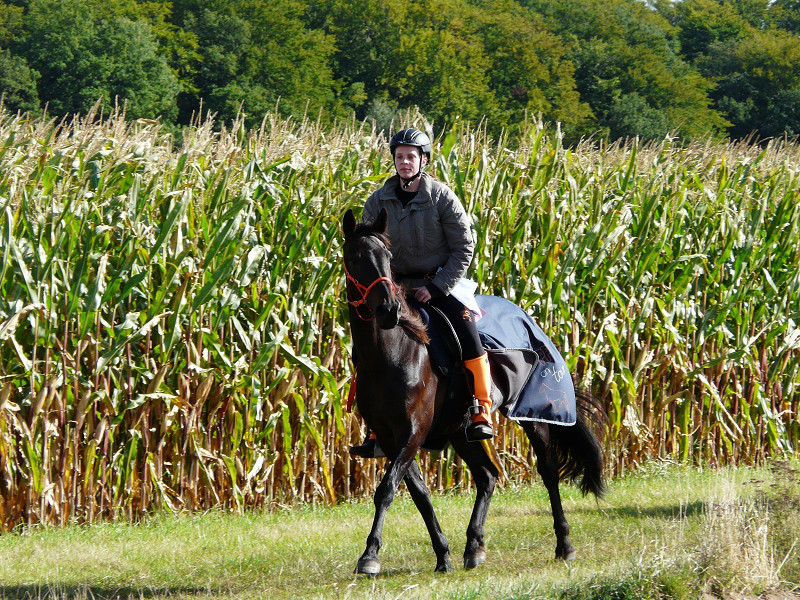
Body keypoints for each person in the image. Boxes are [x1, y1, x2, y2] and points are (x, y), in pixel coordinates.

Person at [349, 127, 493, 457]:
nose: (404, 162)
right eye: (399, 156)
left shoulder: (442, 197)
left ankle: (480, 409)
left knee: (468, 334)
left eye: (411, 156)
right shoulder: (377, 200)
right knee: (369, 346)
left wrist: (437, 287)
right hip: (396, 288)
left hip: (440, 283)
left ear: (423, 160)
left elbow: (464, 247)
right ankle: (377, 428)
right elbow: (370, 248)